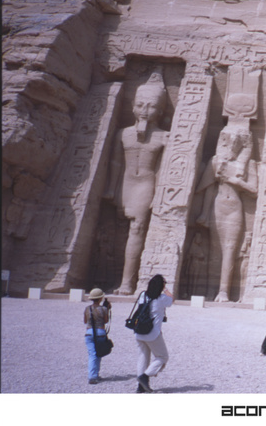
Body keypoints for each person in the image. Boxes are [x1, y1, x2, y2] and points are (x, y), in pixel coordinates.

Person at [106, 68, 168, 295]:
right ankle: (114, 277)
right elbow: (115, 164)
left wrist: (159, 194)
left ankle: (127, 283)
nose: (144, 111)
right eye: (140, 105)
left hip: (145, 184)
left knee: (137, 227)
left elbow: (162, 169)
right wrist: (110, 189)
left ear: (160, 111)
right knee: (120, 229)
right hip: (125, 183)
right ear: (133, 106)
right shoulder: (123, 133)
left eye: (151, 106)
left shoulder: (164, 137)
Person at [196, 123, 258, 302]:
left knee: (230, 250)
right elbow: (208, 189)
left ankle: (224, 291)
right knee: (215, 250)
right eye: (227, 142)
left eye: (235, 143)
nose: (230, 147)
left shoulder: (249, 165)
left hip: (234, 208)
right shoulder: (216, 161)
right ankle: (210, 290)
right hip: (218, 206)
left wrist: (237, 182)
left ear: (242, 145)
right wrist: (204, 213)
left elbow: (254, 190)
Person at [135, 274, 174, 393]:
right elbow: (172, 298)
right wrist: (165, 288)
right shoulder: (162, 298)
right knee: (162, 357)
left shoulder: (143, 295)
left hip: (139, 331)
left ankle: (140, 387)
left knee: (143, 357)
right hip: (152, 333)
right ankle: (144, 376)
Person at [84, 288, 110, 384]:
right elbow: (106, 321)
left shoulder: (87, 308)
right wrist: (108, 309)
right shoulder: (103, 309)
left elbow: (85, 321)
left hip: (89, 332)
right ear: (100, 298)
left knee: (93, 354)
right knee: (98, 354)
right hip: (100, 332)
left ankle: (94, 375)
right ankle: (93, 376)